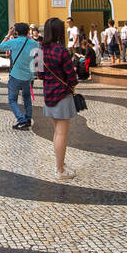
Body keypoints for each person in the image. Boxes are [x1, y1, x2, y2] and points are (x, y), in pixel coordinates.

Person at [38, 17, 78, 180]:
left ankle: (59, 163)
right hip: (62, 94)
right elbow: (71, 76)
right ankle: (60, 170)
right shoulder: (62, 51)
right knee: (62, 133)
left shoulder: (39, 50)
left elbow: (39, 74)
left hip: (48, 93)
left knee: (57, 132)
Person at [2, 22, 37, 130]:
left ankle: (21, 120)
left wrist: (8, 34)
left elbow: (1, 46)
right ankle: (28, 118)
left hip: (15, 75)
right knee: (27, 97)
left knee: (12, 100)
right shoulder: (34, 43)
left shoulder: (14, 42)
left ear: (16, 32)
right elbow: (39, 57)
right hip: (28, 76)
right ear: (27, 31)